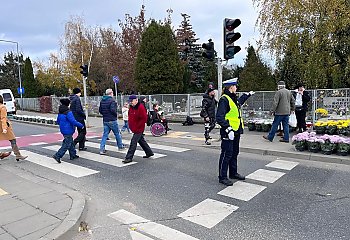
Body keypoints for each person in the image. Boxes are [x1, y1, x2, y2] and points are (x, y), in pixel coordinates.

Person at [216, 78, 254, 186]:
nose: (236, 88)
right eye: (235, 86)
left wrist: (247, 95)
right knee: (226, 154)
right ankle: (222, 177)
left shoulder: (233, 98)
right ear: (231, 87)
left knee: (234, 153)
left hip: (236, 130)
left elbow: (239, 103)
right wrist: (227, 128)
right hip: (228, 131)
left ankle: (233, 173)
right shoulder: (224, 99)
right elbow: (219, 117)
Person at [123, 95, 154, 164]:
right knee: (141, 141)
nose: (131, 103)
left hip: (139, 128)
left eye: (132, 101)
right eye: (130, 101)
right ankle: (149, 152)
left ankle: (128, 157)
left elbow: (144, 118)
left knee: (133, 142)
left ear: (136, 100)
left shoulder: (140, 107)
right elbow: (130, 116)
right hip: (134, 128)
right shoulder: (131, 108)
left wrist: (138, 127)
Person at [53, 98, 84, 163]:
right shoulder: (68, 112)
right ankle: (58, 155)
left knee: (70, 142)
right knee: (67, 144)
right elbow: (73, 121)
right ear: (67, 104)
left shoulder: (60, 112)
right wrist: (81, 125)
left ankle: (73, 154)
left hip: (63, 130)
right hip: (68, 130)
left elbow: (58, 121)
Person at [0, 95, 27, 161]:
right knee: (13, 140)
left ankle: (2, 154)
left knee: (12, 140)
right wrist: (4, 128)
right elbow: (3, 118)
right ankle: (18, 155)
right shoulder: (2, 107)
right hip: (3, 126)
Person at [99, 88, 124, 155]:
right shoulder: (112, 101)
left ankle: (101, 149)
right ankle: (120, 146)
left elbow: (100, 110)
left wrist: (105, 114)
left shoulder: (102, 100)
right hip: (112, 120)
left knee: (105, 135)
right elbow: (113, 110)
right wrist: (116, 115)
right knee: (117, 133)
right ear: (111, 93)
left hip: (105, 120)